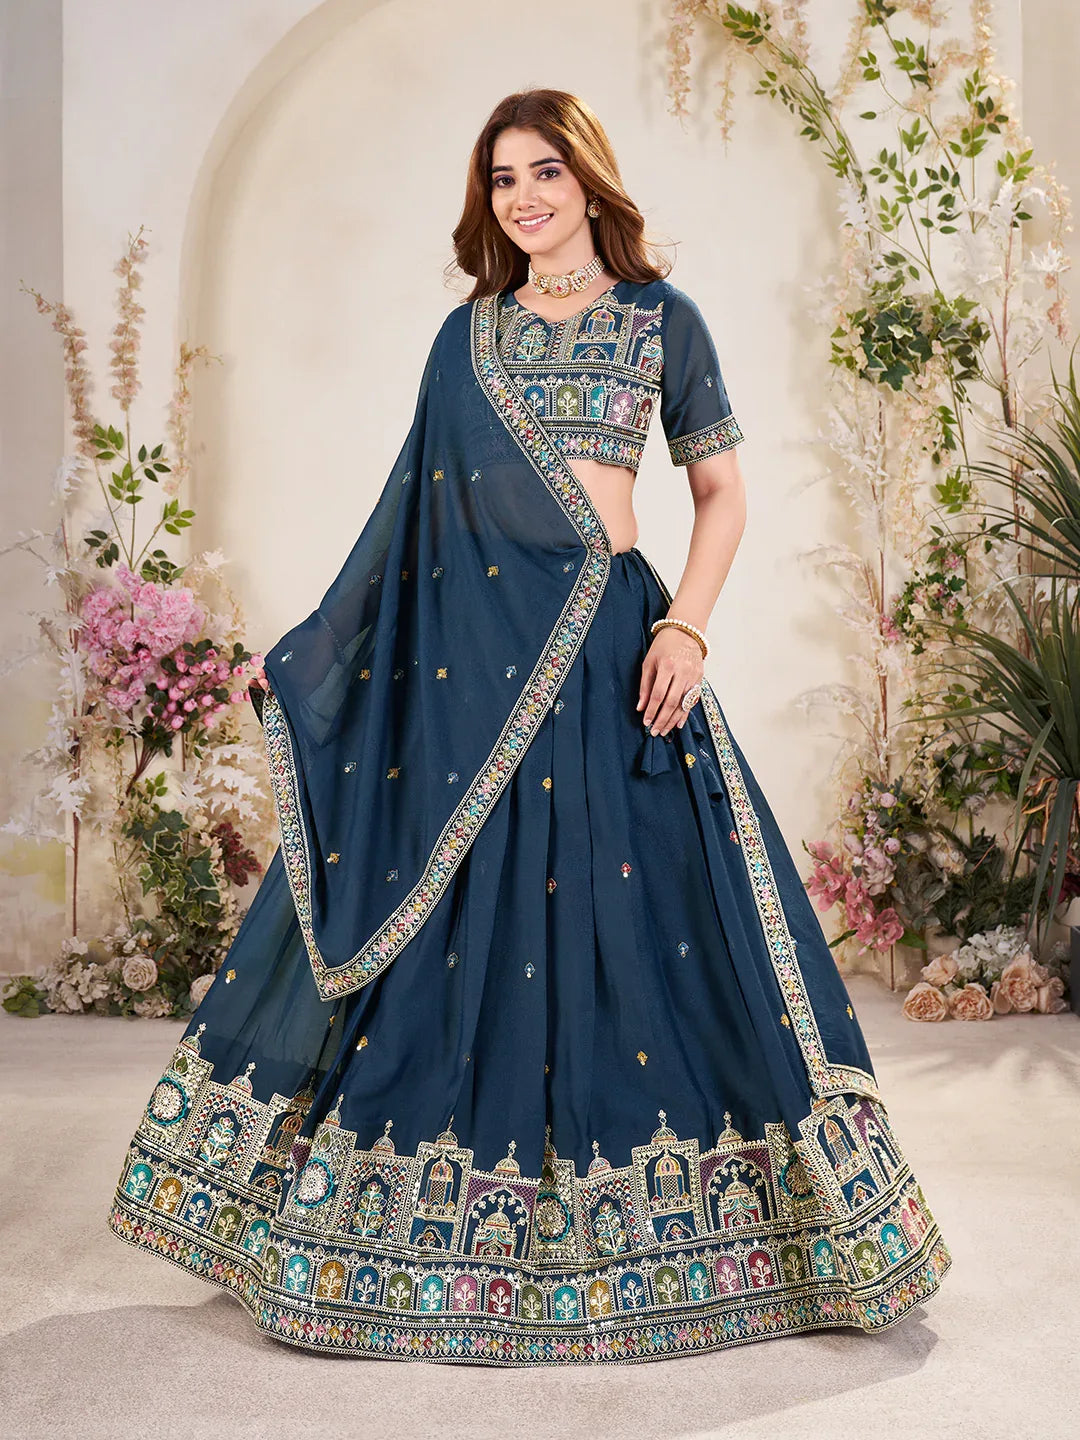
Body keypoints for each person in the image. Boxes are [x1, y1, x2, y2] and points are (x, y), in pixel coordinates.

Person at [107, 88, 950, 1366]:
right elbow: (415, 525)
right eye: (504, 179)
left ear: (590, 179)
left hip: (619, 650)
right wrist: (334, 656)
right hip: (476, 674)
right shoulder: (470, 338)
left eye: (546, 171)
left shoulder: (665, 321)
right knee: (454, 928)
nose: (526, 198)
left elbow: (718, 494)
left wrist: (689, 627)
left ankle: (731, 1231)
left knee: (671, 924)